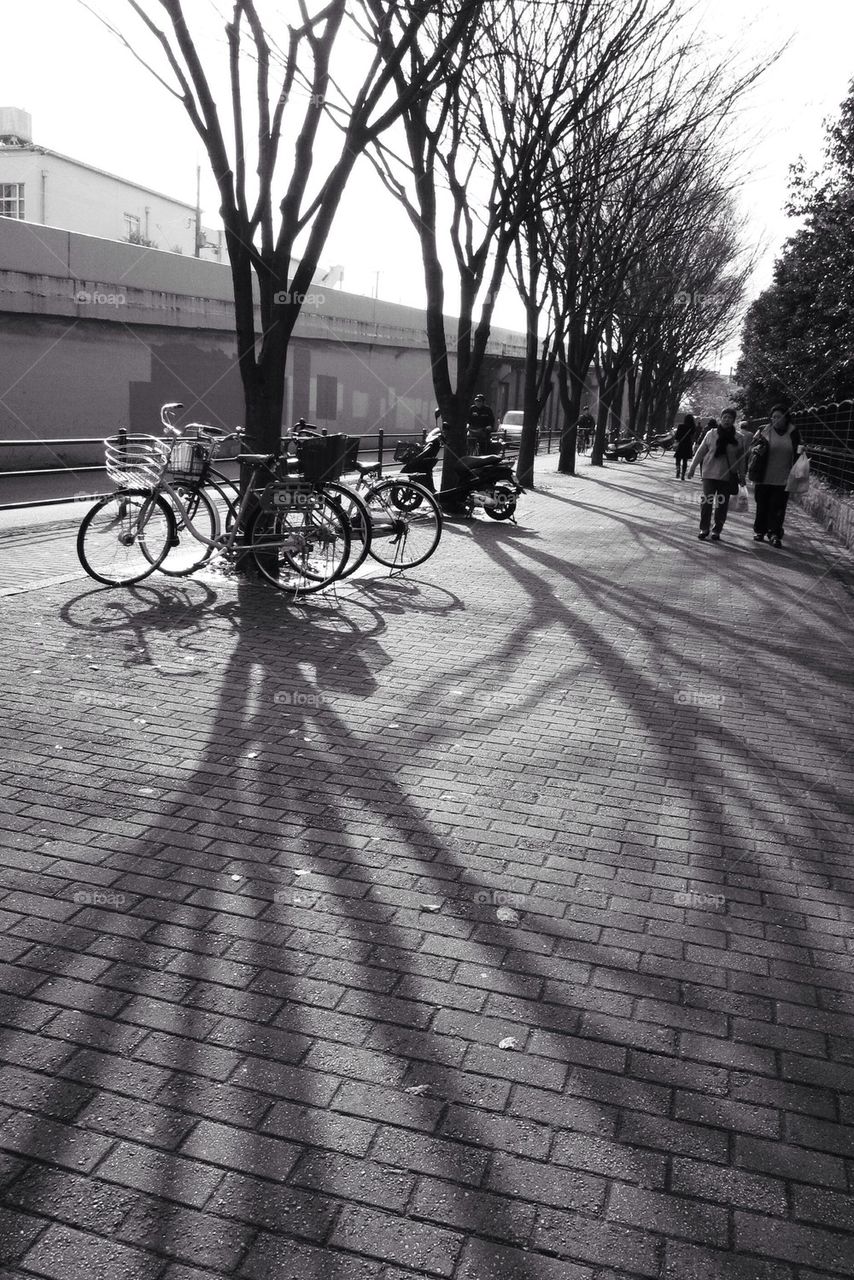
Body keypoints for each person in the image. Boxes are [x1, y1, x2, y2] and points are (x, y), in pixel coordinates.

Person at [750, 405, 803, 547]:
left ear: (786, 418)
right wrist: (757, 449)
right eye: (773, 417)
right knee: (762, 505)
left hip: (783, 478)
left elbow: (799, 450)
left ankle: (774, 533)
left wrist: (801, 455)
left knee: (778, 507)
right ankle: (759, 531)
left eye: (778, 417)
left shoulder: (793, 432)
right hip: (763, 476)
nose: (775, 419)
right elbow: (752, 447)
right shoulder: (764, 430)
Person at [687, 415, 742, 541]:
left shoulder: (739, 437)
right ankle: (704, 528)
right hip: (709, 474)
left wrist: (743, 475)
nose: (727, 420)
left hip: (727, 476)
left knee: (722, 505)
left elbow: (741, 459)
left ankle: (717, 530)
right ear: (720, 419)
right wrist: (692, 468)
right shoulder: (711, 434)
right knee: (706, 502)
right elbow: (700, 452)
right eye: (725, 417)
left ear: (734, 421)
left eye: (730, 418)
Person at [673, 414, 697, 479]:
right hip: (688, 445)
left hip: (681, 444)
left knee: (678, 458)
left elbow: (677, 436)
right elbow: (693, 437)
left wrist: (676, 441)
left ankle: (678, 469)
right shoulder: (692, 428)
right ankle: (683, 475)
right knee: (685, 460)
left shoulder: (680, 426)